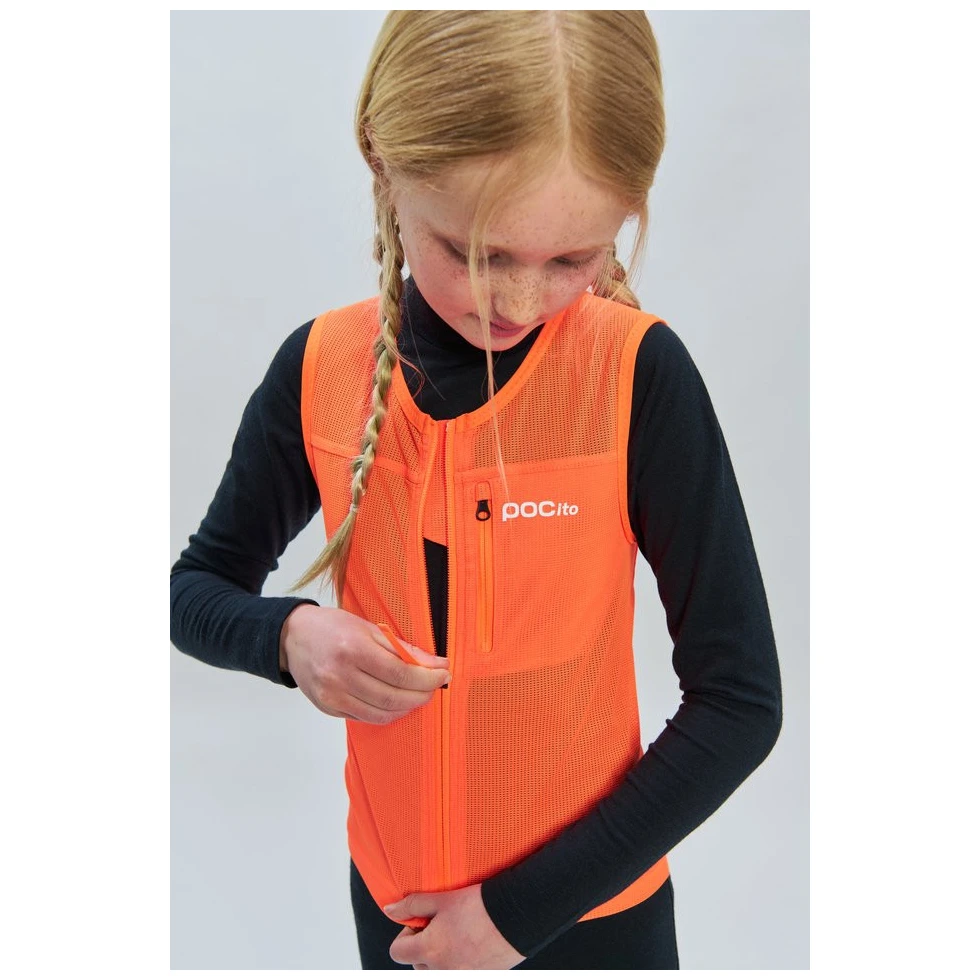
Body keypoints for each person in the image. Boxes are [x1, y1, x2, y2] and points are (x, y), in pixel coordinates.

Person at [171, 10, 783, 970]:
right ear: (382, 164)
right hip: (399, 917)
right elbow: (193, 590)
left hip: (595, 926)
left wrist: (514, 917)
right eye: (477, 253)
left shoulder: (638, 378)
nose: (520, 303)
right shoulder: (321, 370)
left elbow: (741, 702)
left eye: (572, 259)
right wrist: (288, 637)